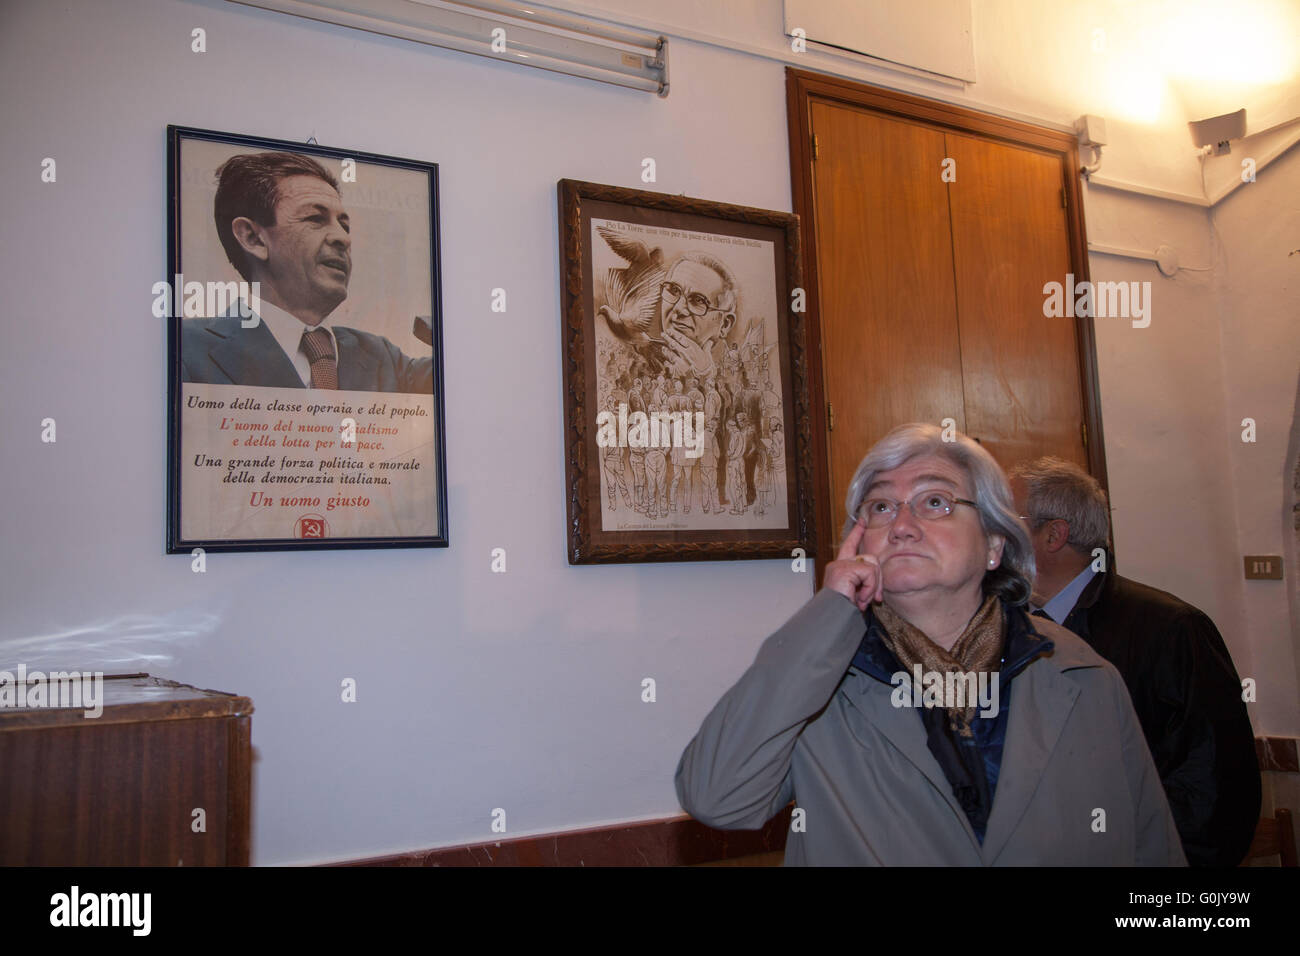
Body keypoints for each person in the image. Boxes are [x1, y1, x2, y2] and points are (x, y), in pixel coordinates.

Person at [676, 423, 1184, 865]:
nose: (901, 526)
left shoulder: (1084, 676)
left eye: (935, 501)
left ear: (993, 544)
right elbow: (718, 796)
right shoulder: (821, 680)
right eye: (880, 507)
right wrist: (828, 614)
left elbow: (1151, 850)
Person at [1008, 457, 1260, 866]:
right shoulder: (1006, 629)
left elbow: (1213, 790)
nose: (990, 534)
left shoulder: (1172, 629)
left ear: (1053, 534)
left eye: (1006, 518)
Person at [181, 151, 433, 393]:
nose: (343, 238)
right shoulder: (187, 349)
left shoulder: (383, 359)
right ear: (252, 238)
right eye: (315, 219)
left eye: (344, 225)